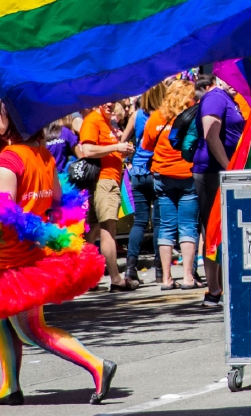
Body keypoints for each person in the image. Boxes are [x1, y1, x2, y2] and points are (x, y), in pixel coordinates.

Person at [0, 125, 114, 405]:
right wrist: (46, 232)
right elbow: (59, 202)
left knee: (31, 329)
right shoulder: (42, 155)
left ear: (10, 121)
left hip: (18, 262)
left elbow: (4, 207)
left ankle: (97, 365)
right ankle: (10, 386)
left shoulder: (9, 159)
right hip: (20, 255)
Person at [191, 74, 245, 307]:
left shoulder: (229, 99)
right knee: (212, 229)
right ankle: (213, 290)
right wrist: (229, 167)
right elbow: (211, 136)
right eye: (229, 77)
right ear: (218, 78)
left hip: (225, 172)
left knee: (227, 229)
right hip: (213, 172)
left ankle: (224, 288)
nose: (234, 82)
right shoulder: (215, 98)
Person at [141, 80, 199, 289]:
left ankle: (166, 278)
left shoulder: (157, 117)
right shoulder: (194, 116)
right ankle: (187, 277)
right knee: (188, 226)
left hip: (162, 177)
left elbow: (146, 145)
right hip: (187, 175)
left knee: (165, 226)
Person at [75, 100, 137, 291]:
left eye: (113, 100)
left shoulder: (105, 121)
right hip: (104, 181)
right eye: (105, 100)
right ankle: (116, 280)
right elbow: (87, 150)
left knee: (93, 230)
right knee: (108, 229)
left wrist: (122, 152)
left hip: (108, 181)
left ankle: (85, 278)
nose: (110, 103)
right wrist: (116, 148)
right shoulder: (93, 120)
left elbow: (104, 151)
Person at [126, 82, 167, 284]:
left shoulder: (136, 115)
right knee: (159, 222)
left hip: (138, 172)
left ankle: (130, 269)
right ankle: (160, 270)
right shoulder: (164, 115)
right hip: (157, 171)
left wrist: (129, 160)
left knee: (140, 221)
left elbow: (125, 142)